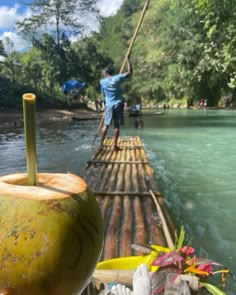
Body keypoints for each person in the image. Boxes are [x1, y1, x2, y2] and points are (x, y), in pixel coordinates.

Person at [99, 56, 132, 151]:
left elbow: (103, 95)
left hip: (109, 105)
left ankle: (101, 145)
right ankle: (115, 146)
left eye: (103, 73)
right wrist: (128, 60)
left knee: (106, 125)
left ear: (105, 73)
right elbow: (129, 72)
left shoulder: (102, 82)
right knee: (116, 125)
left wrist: (104, 107)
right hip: (118, 104)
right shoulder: (117, 78)